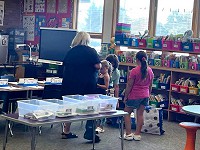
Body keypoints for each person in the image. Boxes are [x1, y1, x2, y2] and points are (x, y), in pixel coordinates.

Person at [61, 31, 101, 142]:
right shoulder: (91, 51)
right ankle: (89, 131)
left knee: (69, 107)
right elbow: (97, 66)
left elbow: (64, 65)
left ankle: (66, 131)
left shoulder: (70, 52)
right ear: (87, 40)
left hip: (70, 83)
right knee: (91, 106)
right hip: (87, 84)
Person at [123, 51, 154, 141]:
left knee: (126, 112)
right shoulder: (150, 70)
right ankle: (137, 134)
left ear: (137, 60)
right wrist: (149, 93)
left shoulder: (134, 71)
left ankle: (128, 134)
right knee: (140, 114)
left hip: (135, 95)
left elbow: (129, 85)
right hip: (145, 95)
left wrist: (126, 96)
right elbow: (150, 85)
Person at [95, 60, 112, 133]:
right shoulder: (100, 75)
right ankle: (97, 125)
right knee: (97, 110)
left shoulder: (106, 76)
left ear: (107, 68)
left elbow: (106, 86)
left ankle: (101, 126)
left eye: (102, 69)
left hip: (102, 94)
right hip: (98, 94)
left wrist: (98, 85)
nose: (100, 70)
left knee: (102, 111)